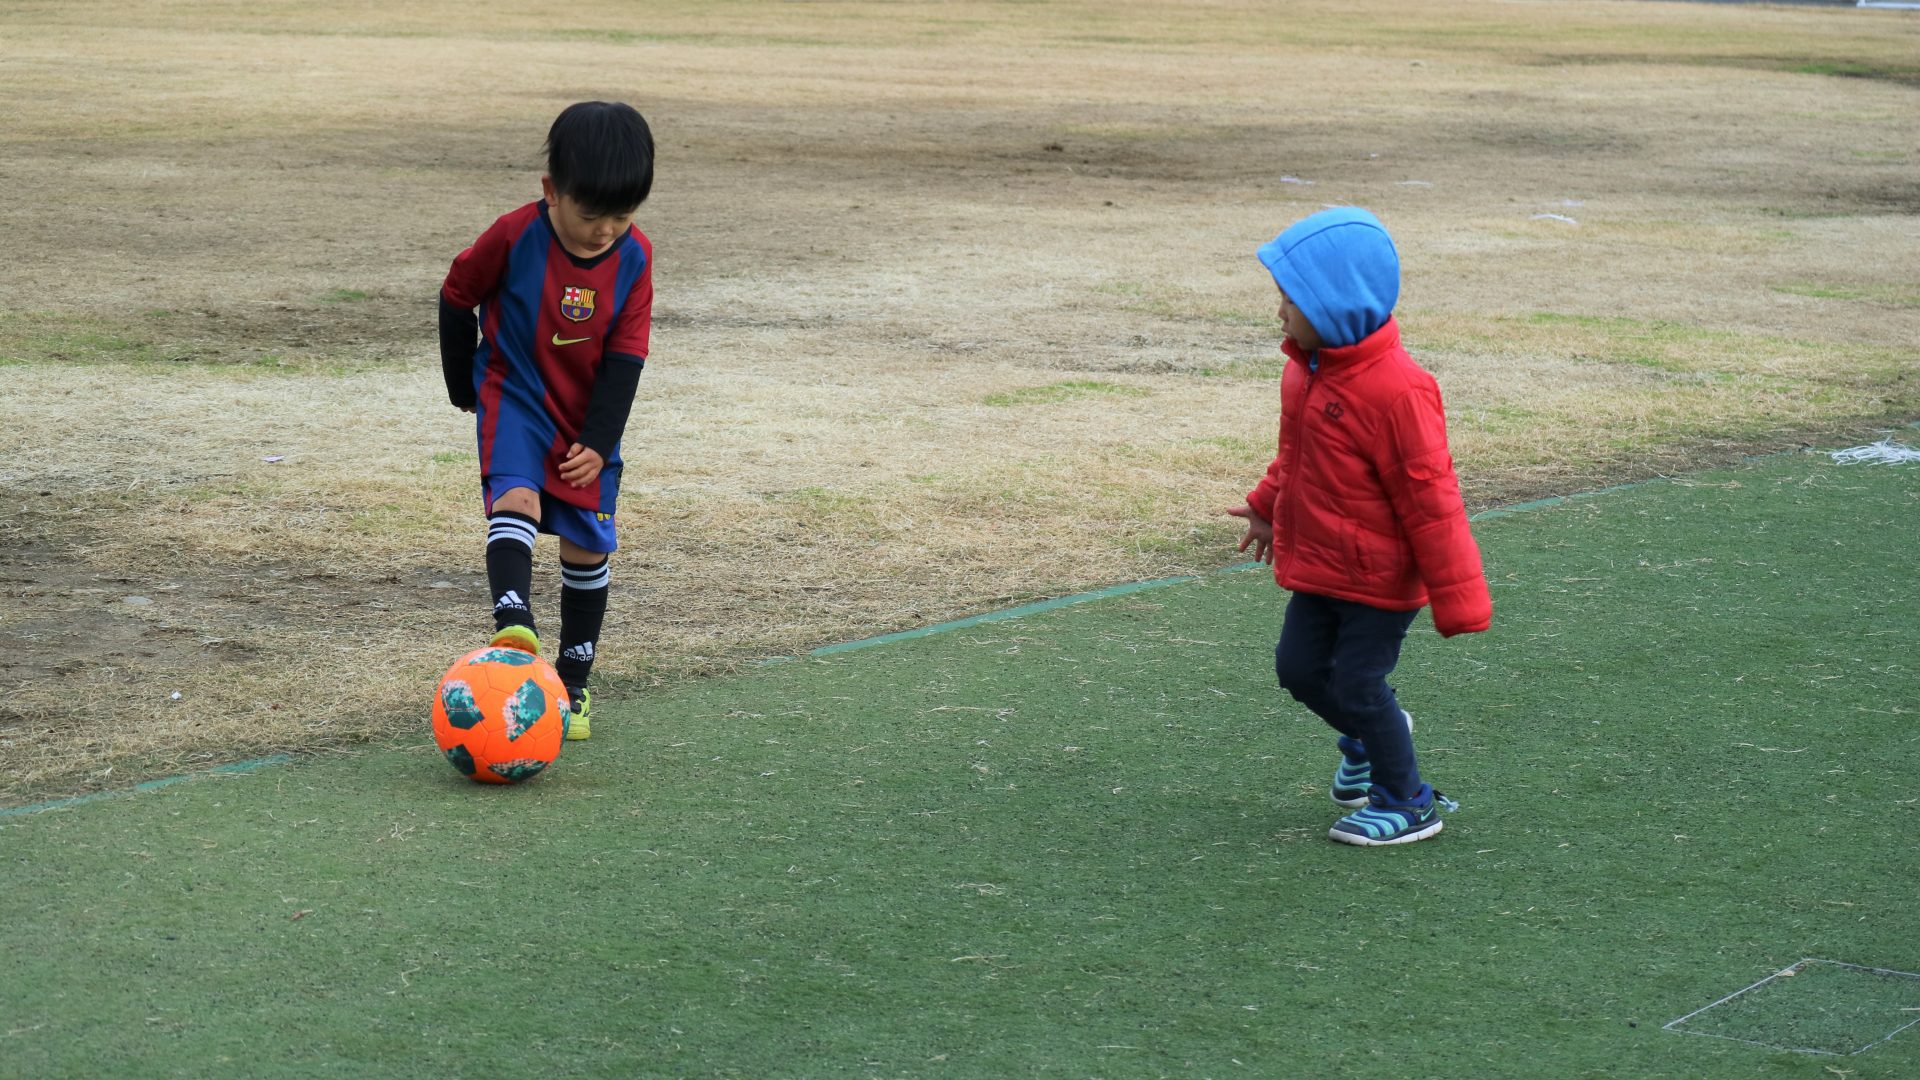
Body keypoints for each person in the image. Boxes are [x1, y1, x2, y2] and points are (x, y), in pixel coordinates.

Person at [1224, 207, 1491, 846]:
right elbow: (1297, 456)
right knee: (1298, 669)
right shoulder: (1305, 371)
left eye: (1292, 300)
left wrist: (1459, 598)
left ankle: (1410, 799)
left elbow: (1433, 500)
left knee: (1357, 681)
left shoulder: (1399, 392)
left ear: (1337, 304)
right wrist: (1266, 506)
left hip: (1379, 577)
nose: (1279, 312)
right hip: (1320, 563)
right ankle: (1371, 740)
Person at [439, 101, 655, 742]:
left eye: (621, 216)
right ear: (551, 193)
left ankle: (574, 683)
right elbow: (457, 295)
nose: (605, 231)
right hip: (517, 394)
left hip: (587, 415)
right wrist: (463, 385)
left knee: (588, 544)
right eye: (591, 216)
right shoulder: (513, 234)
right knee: (517, 496)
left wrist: (598, 439)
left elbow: (627, 357)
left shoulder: (635, 257)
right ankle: (514, 621)